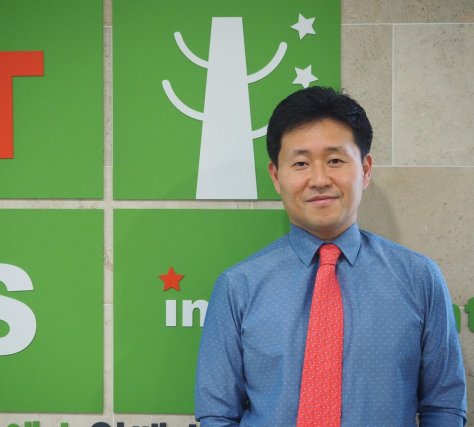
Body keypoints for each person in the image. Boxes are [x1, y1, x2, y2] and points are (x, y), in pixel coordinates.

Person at [194, 87, 467, 426]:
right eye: (300, 163)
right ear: (276, 176)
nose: (319, 179)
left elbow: (444, 406)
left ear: (365, 169)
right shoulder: (238, 286)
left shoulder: (419, 278)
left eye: (335, 160)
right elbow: (218, 414)